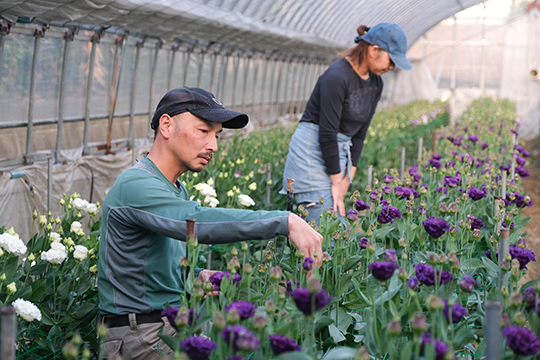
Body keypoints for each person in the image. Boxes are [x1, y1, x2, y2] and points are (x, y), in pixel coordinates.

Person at [96, 87, 323, 359]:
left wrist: (197, 276)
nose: (213, 145)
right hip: (139, 336)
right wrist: (285, 221)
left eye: (217, 135)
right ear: (166, 125)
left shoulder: (173, 188)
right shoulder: (136, 184)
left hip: (165, 324)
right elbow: (197, 221)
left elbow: (148, 266)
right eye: (204, 131)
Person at [281, 23, 413, 225]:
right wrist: (336, 180)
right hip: (311, 152)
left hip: (339, 152)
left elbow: (359, 134)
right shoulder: (337, 76)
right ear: (374, 50)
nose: (392, 67)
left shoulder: (376, 83)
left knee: (333, 222)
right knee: (326, 227)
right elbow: (327, 132)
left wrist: (345, 181)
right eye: (391, 60)